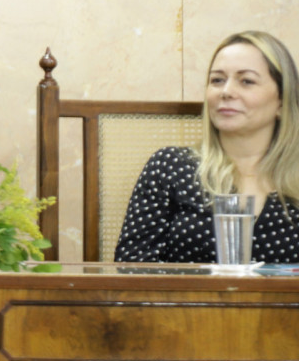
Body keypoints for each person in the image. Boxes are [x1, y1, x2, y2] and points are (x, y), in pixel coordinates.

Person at [115, 31, 299, 263]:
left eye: (247, 81)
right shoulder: (171, 166)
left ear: (282, 101)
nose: (226, 92)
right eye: (217, 80)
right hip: (183, 300)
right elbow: (133, 265)